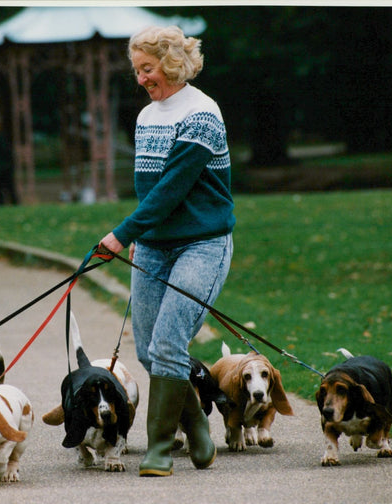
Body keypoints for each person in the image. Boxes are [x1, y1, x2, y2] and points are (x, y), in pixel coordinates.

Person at [98, 26, 235, 477]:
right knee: (150, 352)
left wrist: (119, 234)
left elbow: (172, 190)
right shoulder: (147, 116)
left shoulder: (202, 113)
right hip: (155, 245)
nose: (141, 79)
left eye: (148, 69)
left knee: (169, 342)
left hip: (203, 244)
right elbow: (148, 192)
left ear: (172, 64)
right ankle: (196, 426)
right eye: (136, 70)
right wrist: (139, 236)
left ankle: (159, 448)